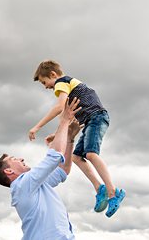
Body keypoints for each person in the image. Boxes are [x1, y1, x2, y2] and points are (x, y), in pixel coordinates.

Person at [29, 60, 125, 217]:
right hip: (90, 120)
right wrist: (58, 133)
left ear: (53, 75)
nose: (46, 86)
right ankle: (99, 188)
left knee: (91, 154)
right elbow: (67, 116)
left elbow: (59, 108)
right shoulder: (70, 86)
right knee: (76, 157)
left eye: (44, 82)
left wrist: (37, 126)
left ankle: (113, 192)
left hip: (97, 117)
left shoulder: (62, 82)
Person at [0, 97, 82, 240]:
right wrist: (64, 120)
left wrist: (70, 139)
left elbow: (63, 170)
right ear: (9, 171)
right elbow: (55, 157)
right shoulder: (21, 185)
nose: (21, 158)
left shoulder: (35, 185)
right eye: (14, 159)